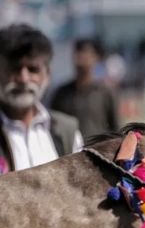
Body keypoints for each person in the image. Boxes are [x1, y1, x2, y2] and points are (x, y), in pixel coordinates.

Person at [0, 23, 83, 175]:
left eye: (33, 69)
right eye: (14, 68)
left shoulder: (66, 132)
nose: (24, 79)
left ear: (47, 74)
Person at [51, 38, 119, 138]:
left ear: (96, 58)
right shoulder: (62, 92)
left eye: (85, 52)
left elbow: (115, 128)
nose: (81, 57)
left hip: (96, 151)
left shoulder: (105, 92)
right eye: (78, 52)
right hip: (70, 152)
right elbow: (53, 125)